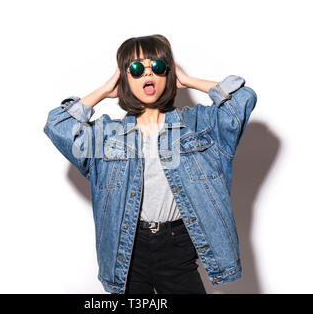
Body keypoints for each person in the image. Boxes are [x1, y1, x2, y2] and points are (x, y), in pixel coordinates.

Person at [43, 34, 257, 294]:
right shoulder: (107, 135)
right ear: (124, 77)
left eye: (157, 67)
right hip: (127, 249)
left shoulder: (199, 125)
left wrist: (188, 81)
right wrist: (103, 90)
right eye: (135, 69)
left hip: (178, 247)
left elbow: (243, 98)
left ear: (168, 73)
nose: (148, 74)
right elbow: (57, 125)